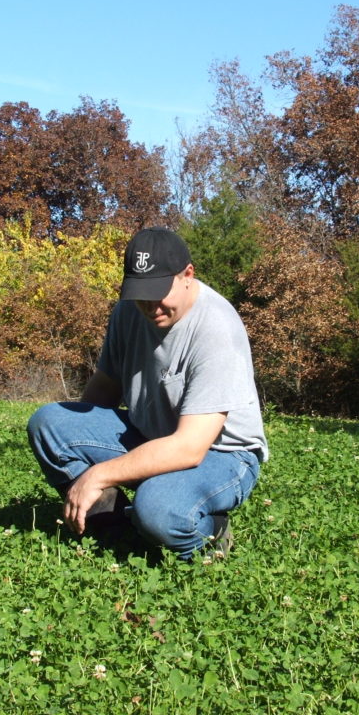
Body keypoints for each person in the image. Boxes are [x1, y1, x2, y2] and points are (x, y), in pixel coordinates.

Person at [27, 226, 267, 559]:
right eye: (140, 292)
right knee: (50, 423)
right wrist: (79, 461)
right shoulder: (129, 311)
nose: (150, 305)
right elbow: (104, 388)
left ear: (187, 274)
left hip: (221, 455)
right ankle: (113, 528)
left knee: (158, 507)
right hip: (151, 437)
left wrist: (98, 473)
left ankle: (211, 535)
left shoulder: (216, 328)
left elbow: (190, 448)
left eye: (158, 291)